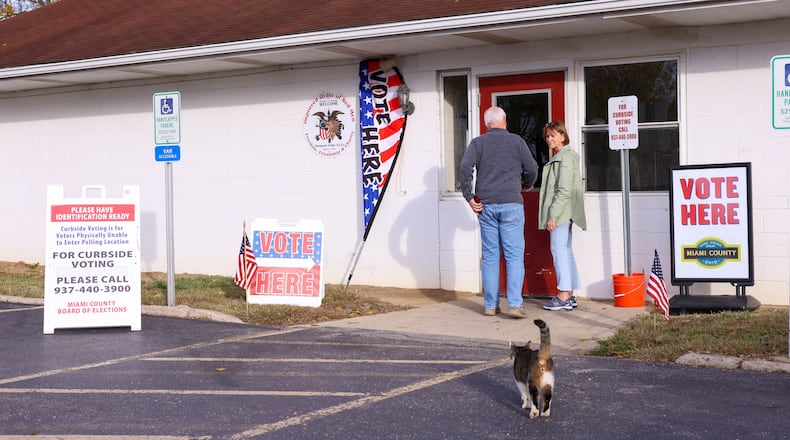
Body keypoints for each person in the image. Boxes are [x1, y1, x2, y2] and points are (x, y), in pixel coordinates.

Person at [460, 106, 539, 319]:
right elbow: (532, 168)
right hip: (511, 204)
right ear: (504, 120)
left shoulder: (478, 143)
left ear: (487, 123)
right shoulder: (517, 142)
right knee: (514, 256)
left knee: (490, 256)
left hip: (486, 205)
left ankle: (490, 305)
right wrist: (526, 185)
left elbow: (465, 168)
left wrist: (469, 196)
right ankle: (514, 305)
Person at [538, 120, 587, 311]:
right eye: (547, 136)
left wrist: (553, 215)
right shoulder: (564, 156)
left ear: (563, 136)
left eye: (553, 135)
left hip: (561, 212)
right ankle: (570, 295)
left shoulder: (565, 158)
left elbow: (564, 190)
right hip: (566, 212)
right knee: (565, 251)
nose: (549, 139)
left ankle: (564, 295)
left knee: (559, 251)